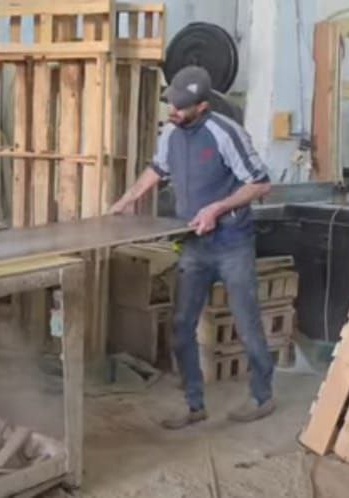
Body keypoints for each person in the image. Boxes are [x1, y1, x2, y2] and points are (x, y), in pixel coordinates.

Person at [110, 66, 275, 429]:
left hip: (232, 243)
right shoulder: (171, 132)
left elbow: (261, 183)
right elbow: (157, 168)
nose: (172, 111)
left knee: (246, 323)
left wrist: (217, 208)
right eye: (170, 103)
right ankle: (194, 404)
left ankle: (262, 396)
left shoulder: (225, 133)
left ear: (202, 106)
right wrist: (127, 199)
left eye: (180, 107)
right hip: (192, 244)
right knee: (182, 326)